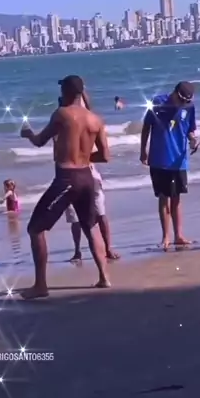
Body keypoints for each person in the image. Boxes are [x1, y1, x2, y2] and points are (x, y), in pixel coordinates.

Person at [20, 75, 111, 298]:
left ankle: (40, 286)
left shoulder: (62, 114)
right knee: (90, 227)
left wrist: (28, 134)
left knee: (35, 229)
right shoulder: (96, 119)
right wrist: (82, 157)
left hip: (67, 179)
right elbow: (105, 156)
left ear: (66, 92)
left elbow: (40, 141)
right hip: (87, 177)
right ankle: (104, 277)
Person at [61, 85, 119, 264]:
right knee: (79, 217)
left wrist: (81, 90)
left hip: (79, 174)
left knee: (97, 213)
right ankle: (79, 251)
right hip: (82, 173)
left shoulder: (78, 120)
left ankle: (105, 248)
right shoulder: (65, 124)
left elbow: (88, 109)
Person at [140, 80, 199, 250]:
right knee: (163, 197)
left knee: (177, 198)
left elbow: (189, 129)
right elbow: (146, 127)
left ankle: (178, 235)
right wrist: (143, 150)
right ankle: (165, 236)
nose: (183, 104)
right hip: (159, 158)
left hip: (179, 160)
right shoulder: (158, 102)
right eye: (181, 100)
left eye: (186, 101)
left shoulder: (189, 107)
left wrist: (193, 140)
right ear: (174, 93)